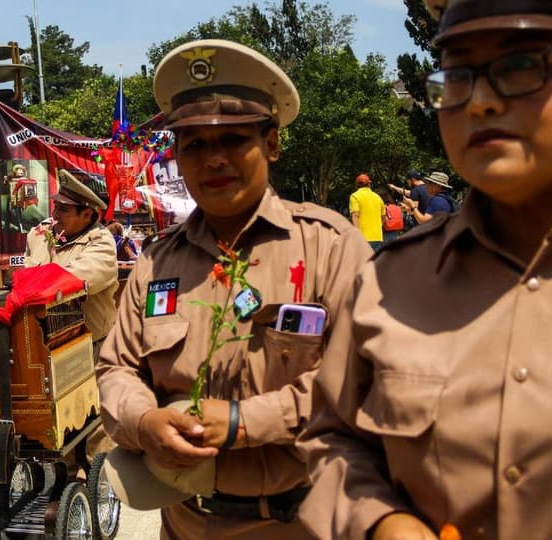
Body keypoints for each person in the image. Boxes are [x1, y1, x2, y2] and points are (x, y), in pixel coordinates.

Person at [298, 1, 552, 538]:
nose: (479, 101)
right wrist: (380, 521)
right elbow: (333, 438)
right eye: (456, 76)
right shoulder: (387, 283)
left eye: (521, 65)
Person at [96, 39, 372, 540]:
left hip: (303, 522)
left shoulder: (330, 247)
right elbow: (117, 368)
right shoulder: (157, 262)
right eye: (195, 145)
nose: (213, 160)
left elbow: (364, 379)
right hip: (185, 522)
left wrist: (246, 421)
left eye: (232, 139)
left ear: (272, 144)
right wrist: (143, 422)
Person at [25, 169, 118, 344]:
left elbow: (71, 280)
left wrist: (28, 284)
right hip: (44, 345)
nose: (55, 215)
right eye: (56, 206)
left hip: (91, 346)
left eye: (63, 209)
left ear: (86, 215)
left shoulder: (101, 242)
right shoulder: (39, 233)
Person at [349, 173, 386, 251]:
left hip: (363, 238)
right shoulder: (377, 197)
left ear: (357, 185)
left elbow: (355, 216)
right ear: (369, 184)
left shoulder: (355, 196)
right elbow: (383, 217)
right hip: (377, 237)